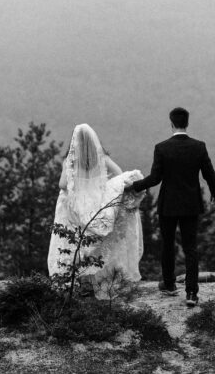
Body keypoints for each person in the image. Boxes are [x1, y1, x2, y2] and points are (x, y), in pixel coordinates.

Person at [125, 107, 215, 307]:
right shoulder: (199, 147)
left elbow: (155, 178)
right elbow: (209, 173)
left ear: (171, 123)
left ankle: (169, 284)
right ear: (187, 123)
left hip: (168, 204)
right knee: (190, 247)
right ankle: (192, 293)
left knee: (167, 245)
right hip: (191, 204)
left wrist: (134, 187)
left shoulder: (162, 148)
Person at [48, 123, 145, 298]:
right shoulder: (102, 159)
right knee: (99, 244)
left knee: (75, 242)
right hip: (97, 204)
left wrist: (77, 185)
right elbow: (119, 174)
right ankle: (100, 281)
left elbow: (62, 185)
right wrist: (103, 188)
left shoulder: (70, 161)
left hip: (76, 209)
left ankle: (76, 282)